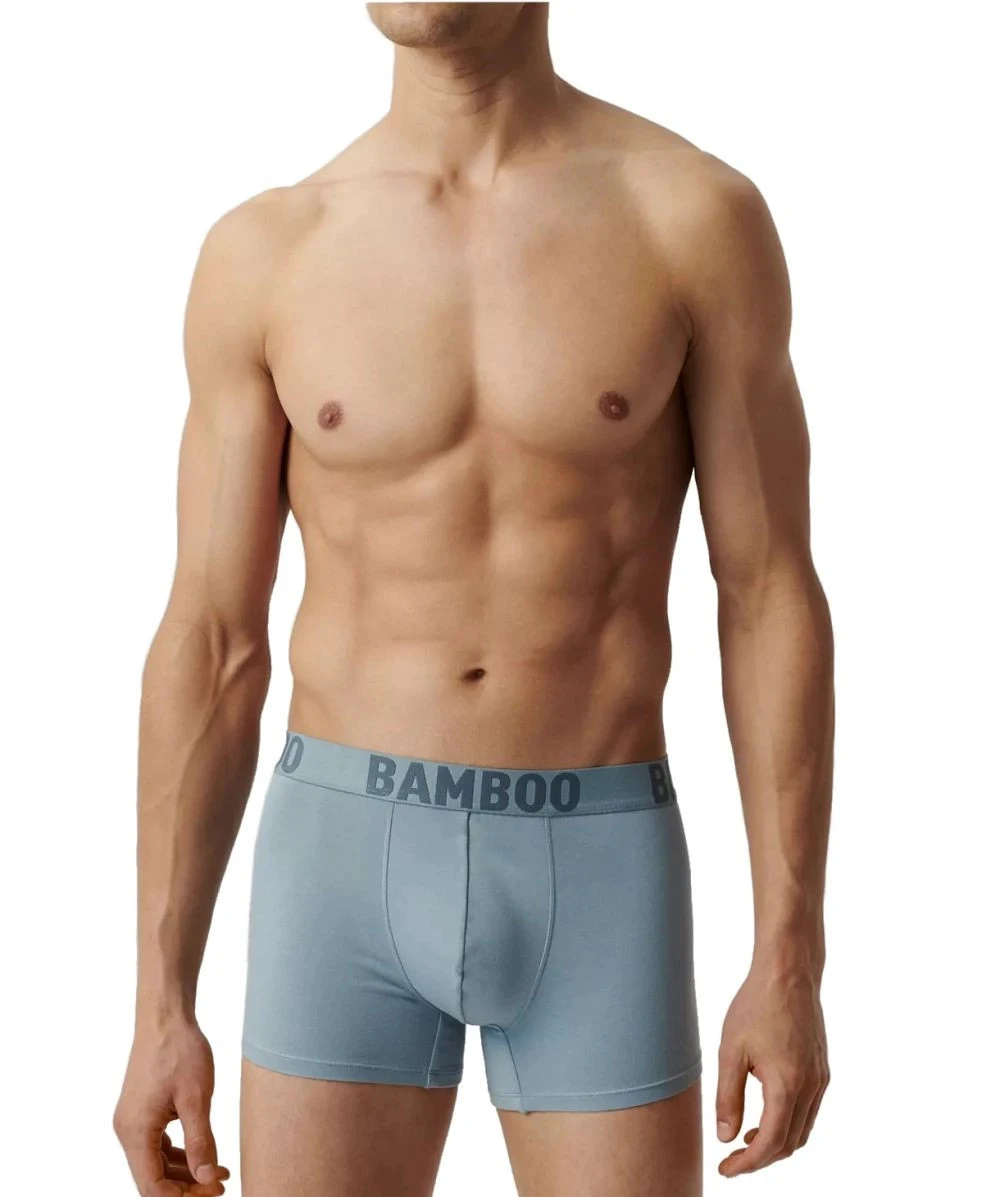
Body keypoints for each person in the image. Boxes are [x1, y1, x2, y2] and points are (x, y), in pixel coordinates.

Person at [112, 4, 834, 1194]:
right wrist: (158, 1003)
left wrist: (790, 953)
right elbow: (212, 638)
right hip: (336, 871)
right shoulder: (270, 250)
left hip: (599, 868)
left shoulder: (690, 220)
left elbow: (765, 594)